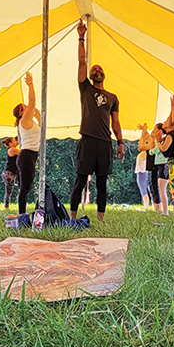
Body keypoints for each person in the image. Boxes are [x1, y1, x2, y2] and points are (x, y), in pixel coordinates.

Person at [70, 20, 125, 221]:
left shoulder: (113, 97)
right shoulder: (85, 88)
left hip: (105, 143)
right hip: (87, 140)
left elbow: (116, 123)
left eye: (99, 69)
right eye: (93, 70)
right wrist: (81, 37)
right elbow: (82, 61)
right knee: (80, 180)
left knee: (102, 183)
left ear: (104, 74)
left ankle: (101, 219)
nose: (96, 70)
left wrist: (120, 142)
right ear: (91, 76)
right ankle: (72, 217)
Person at [13, 72, 40, 215]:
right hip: (27, 155)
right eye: (26, 107)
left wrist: (39, 117)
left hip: (31, 155)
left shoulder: (29, 122)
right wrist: (30, 84)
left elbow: (42, 133)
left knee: (28, 186)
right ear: (22, 112)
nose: (29, 108)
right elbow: (33, 100)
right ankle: (22, 214)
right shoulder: (24, 121)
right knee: (24, 187)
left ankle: (23, 213)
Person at [150, 123, 174, 215]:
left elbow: (157, 149)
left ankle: (166, 211)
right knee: (162, 188)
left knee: (162, 188)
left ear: (160, 130)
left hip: (163, 163)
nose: (154, 132)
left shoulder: (163, 138)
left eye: (155, 130)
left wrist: (151, 150)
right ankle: (165, 210)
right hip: (160, 163)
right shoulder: (161, 138)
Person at [136, 124, 154, 210]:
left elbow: (141, 145)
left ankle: (147, 207)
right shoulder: (145, 153)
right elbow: (142, 141)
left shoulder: (145, 153)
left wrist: (144, 131)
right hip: (142, 172)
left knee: (144, 191)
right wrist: (143, 131)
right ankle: (151, 206)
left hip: (142, 172)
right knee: (147, 191)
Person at [1, 137, 20, 210]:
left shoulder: (11, 150)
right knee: (9, 190)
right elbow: (22, 152)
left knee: (9, 189)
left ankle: (7, 205)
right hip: (9, 172)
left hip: (10, 172)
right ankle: (6, 206)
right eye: (14, 141)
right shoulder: (12, 150)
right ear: (10, 143)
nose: (16, 142)